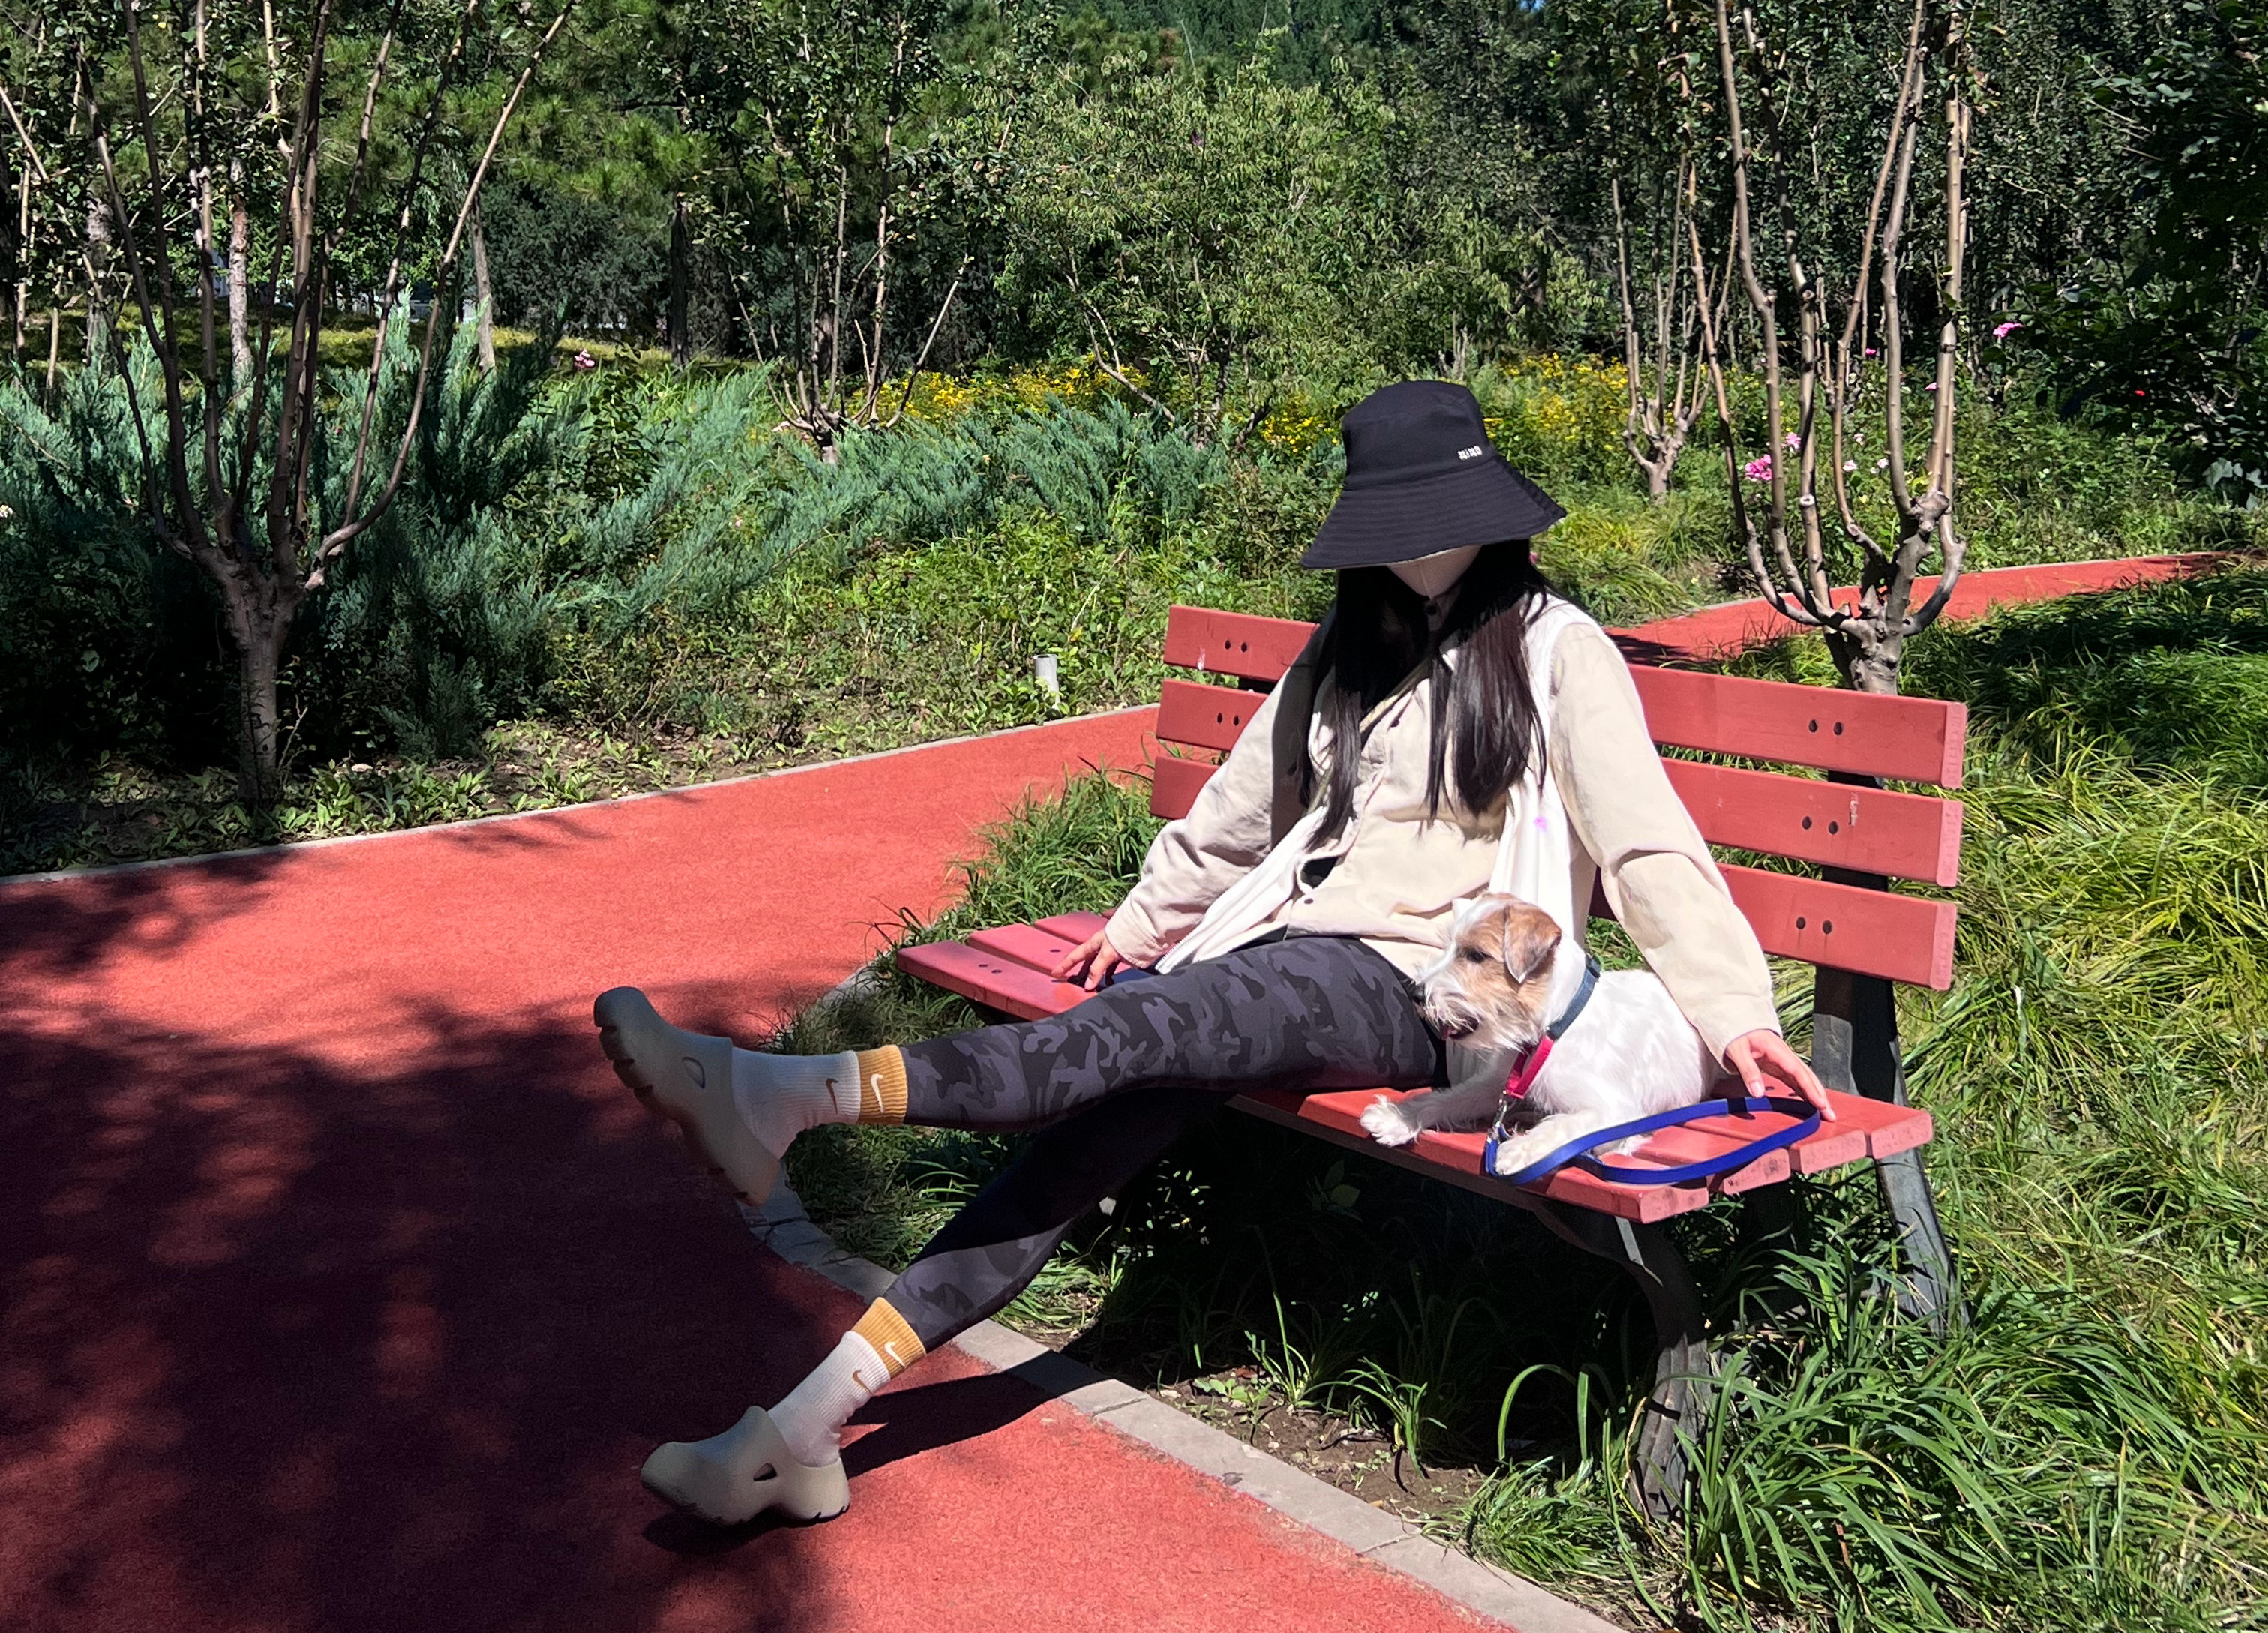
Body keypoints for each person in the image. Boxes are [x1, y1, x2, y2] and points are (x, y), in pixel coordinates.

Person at [595, 377, 1828, 1526]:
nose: (1418, 547)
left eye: (1435, 521)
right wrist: (1140, 922)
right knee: (1093, 1124)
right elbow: (1240, 807)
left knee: (1140, 1031)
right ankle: (805, 1430)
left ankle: (782, 1094)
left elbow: (1648, 845)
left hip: (1420, 993)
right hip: (1284, 956)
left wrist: (1737, 1020)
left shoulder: (1556, 650)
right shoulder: (1349, 645)